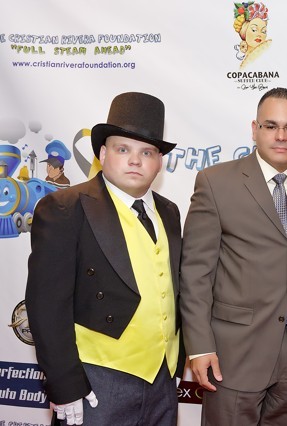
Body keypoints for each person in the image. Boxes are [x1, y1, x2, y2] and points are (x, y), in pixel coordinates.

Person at [179, 87, 287, 425]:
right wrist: (200, 345)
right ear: (254, 129)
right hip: (234, 355)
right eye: (271, 126)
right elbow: (195, 272)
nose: (281, 136)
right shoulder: (215, 182)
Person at [26, 92, 183, 426]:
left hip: (163, 379)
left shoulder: (169, 212)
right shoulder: (65, 208)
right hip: (96, 380)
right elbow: (47, 305)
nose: (135, 161)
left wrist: (177, 363)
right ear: (102, 154)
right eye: (123, 149)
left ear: (159, 162)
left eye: (147, 152)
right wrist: (65, 384)